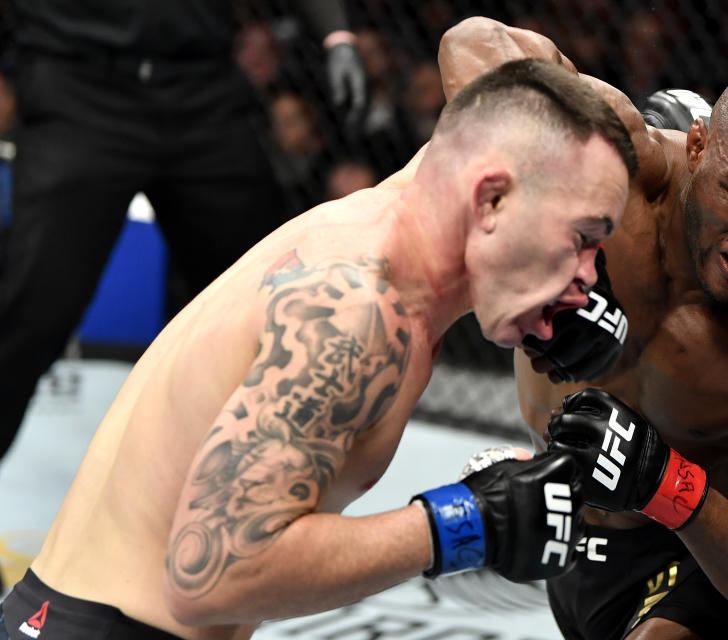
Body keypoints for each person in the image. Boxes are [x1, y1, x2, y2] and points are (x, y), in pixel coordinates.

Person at [0, 58, 638, 639]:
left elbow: (475, 44)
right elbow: (208, 579)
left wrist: (547, 291)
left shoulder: (422, 193)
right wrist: (470, 522)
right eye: (583, 237)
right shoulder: (356, 313)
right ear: (493, 198)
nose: (588, 275)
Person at [439, 17, 728, 640]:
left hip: (707, 556)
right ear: (697, 147)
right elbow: (472, 41)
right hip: (573, 545)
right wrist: (543, 273)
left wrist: (667, 484)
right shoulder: (619, 166)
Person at [0, 0, 369, 471]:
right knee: (33, 308)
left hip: (201, 89)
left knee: (255, 306)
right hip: (80, 87)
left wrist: (337, 35)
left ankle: (244, 486)